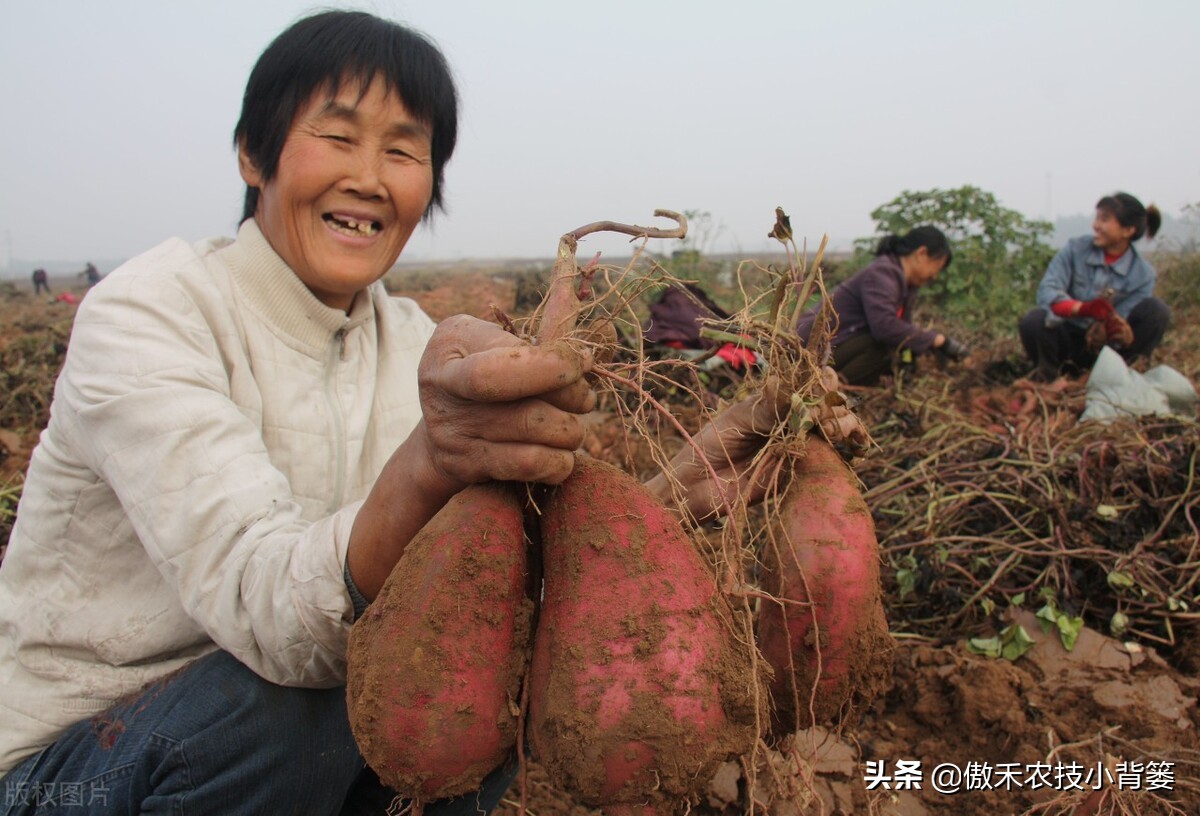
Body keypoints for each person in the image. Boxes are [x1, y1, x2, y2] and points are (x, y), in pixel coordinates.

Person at [0, 11, 789, 815]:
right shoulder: (147, 312)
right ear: (253, 154)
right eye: (338, 138)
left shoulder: (414, 342)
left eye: (404, 150)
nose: (371, 177)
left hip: (286, 746)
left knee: (484, 676)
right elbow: (269, 610)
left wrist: (658, 506)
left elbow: (482, 570)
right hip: (79, 764)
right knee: (304, 705)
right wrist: (430, 461)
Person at [1018, 192, 1168, 382]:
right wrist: (1083, 309)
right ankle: (1049, 378)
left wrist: (1117, 330)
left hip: (1108, 351)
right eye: (1097, 218)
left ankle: (1123, 377)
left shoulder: (1143, 274)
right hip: (1067, 338)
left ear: (1127, 230)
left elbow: (1124, 316)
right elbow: (1048, 291)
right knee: (1034, 320)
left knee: (1156, 311)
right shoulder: (1075, 250)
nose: (1095, 225)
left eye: (1104, 219)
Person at [795, 226, 969, 386]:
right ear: (921, 253)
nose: (934, 276)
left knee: (897, 351)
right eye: (936, 267)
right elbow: (885, 327)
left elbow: (904, 332)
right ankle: (829, 388)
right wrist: (936, 339)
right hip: (809, 351)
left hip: (836, 347)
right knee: (882, 347)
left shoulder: (906, 285)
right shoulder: (883, 273)